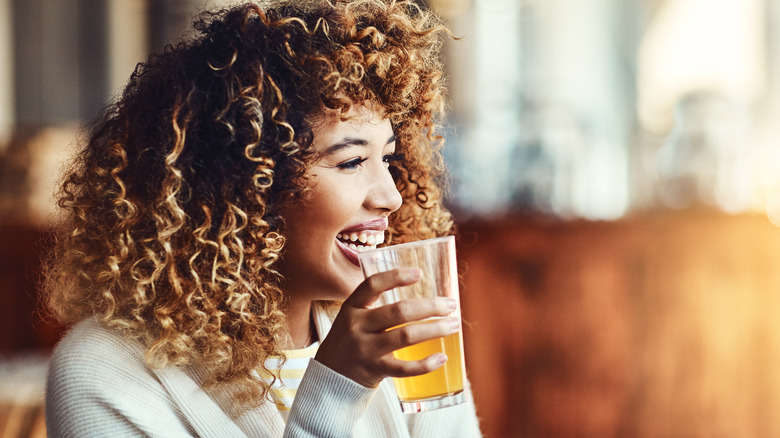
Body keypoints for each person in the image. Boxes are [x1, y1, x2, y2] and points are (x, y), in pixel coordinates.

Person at [43, 1, 481, 436]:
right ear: (246, 185)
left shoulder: (398, 333)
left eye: (387, 157)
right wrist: (335, 389)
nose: (392, 197)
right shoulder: (105, 373)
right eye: (350, 162)